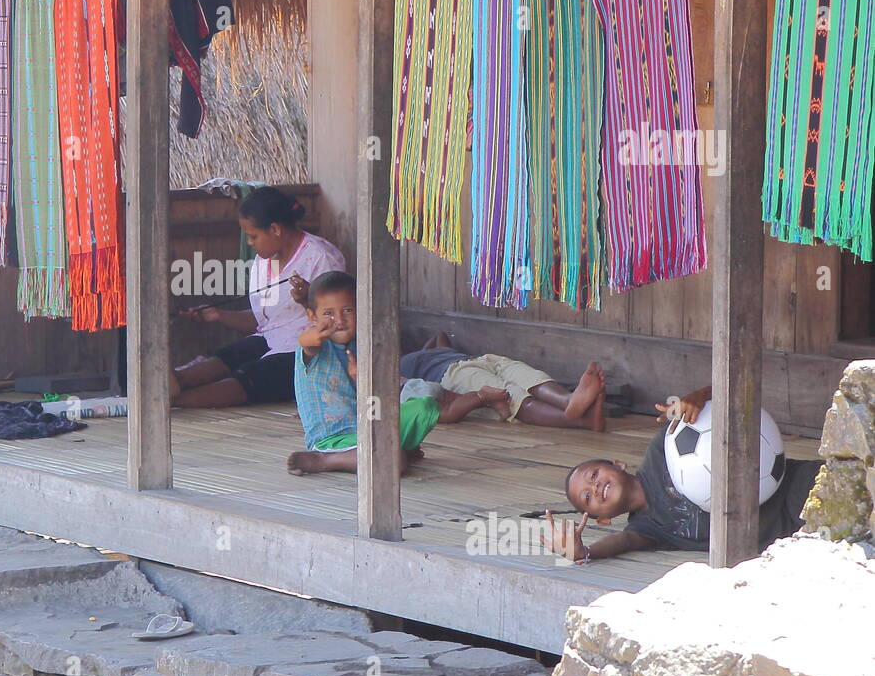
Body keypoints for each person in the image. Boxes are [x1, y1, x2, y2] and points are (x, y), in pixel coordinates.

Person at [548, 385, 822, 564]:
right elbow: (624, 541)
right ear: (604, 519)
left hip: (796, 486)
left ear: (618, 463)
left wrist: (697, 398)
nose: (595, 488)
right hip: (786, 542)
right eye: (587, 497)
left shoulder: (664, 446)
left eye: (594, 475)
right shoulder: (646, 528)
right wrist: (584, 553)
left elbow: (727, 386)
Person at [284, 271, 510, 475]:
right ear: (312, 317)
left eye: (348, 310)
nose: (339, 320)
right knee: (396, 461)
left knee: (425, 406)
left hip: (368, 428)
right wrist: (318, 333)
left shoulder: (362, 346)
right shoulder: (316, 347)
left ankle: (393, 447)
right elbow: (307, 341)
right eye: (328, 313)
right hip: (334, 438)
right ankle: (325, 461)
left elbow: (377, 402)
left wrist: (365, 380)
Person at [171, 187, 345, 407]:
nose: (250, 243)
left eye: (253, 236)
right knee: (225, 358)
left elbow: (338, 323)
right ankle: (173, 382)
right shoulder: (264, 261)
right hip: (271, 339)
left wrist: (307, 299)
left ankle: (169, 402)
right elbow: (265, 322)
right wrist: (218, 315)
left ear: (275, 229)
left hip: (308, 353)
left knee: (248, 378)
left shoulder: (321, 257)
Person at [400, 332, 607, 432]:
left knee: (529, 376)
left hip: (483, 359)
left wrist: (426, 349)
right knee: (511, 397)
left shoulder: (429, 352)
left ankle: (568, 400)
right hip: (451, 375)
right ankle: (581, 420)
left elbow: (440, 335)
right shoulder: (399, 367)